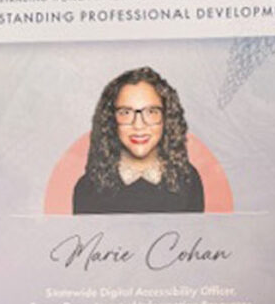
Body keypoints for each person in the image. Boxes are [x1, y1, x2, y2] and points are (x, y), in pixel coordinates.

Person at [73, 66, 205, 214]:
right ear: (111, 119)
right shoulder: (87, 188)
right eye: (126, 112)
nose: (138, 125)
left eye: (151, 112)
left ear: (167, 117)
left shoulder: (189, 181)